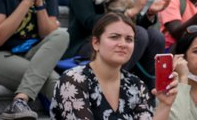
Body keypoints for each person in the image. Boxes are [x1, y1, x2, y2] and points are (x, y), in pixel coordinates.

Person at [51, 12, 179, 119]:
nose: (123, 44)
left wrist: (165, 105)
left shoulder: (136, 85)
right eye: (114, 37)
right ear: (96, 43)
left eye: (129, 39)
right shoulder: (73, 81)